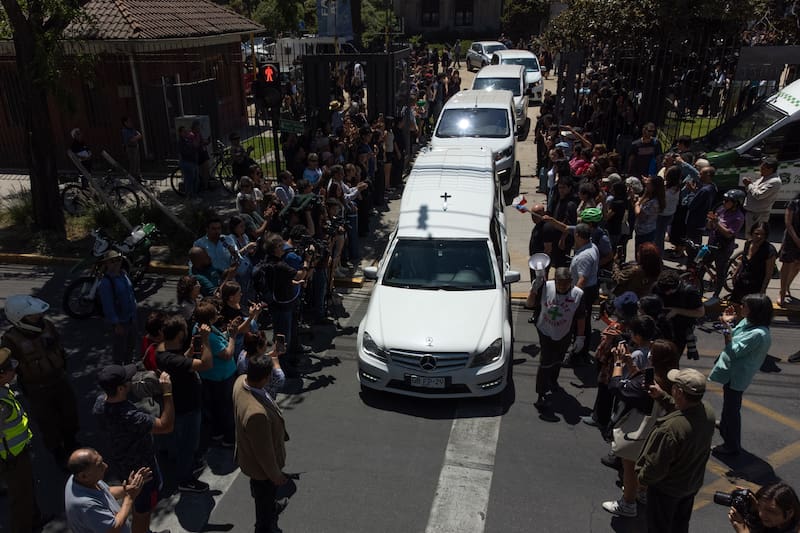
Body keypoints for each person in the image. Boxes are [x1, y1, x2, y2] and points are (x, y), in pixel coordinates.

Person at [601, 339, 680, 518]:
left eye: (652, 351)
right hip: (660, 430)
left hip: (640, 432)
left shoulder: (649, 382)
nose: (648, 353)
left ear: (655, 357)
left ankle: (628, 503)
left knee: (630, 467)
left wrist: (619, 363)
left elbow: (617, 387)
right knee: (646, 466)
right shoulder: (671, 378)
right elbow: (640, 382)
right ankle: (642, 492)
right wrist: (631, 364)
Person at [93, 364, 174, 533]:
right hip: (142, 473)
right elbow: (166, 426)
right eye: (128, 380)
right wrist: (167, 392)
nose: (131, 381)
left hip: (121, 464)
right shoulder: (131, 417)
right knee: (142, 512)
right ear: (121, 388)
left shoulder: (100, 404)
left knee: (140, 508)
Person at [1, 295, 80, 467]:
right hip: (37, 388)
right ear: (19, 318)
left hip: (59, 380)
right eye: (32, 316)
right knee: (48, 422)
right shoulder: (10, 339)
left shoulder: (48, 326)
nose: (38, 318)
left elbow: (59, 348)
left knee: (69, 414)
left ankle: (71, 443)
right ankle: (58, 452)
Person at [635, 368, 716, 533]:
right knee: (679, 526)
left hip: (666, 491)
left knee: (658, 528)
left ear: (678, 391)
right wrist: (661, 396)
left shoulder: (670, 429)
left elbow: (654, 467)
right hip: (690, 485)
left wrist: (641, 481)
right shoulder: (708, 412)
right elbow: (685, 411)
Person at [233, 353, 290, 533]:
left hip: (248, 455)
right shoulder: (256, 414)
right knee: (263, 498)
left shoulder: (240, 381)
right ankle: (265, 526)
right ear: (266, 378)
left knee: (264, 495)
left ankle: (271, 508)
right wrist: (275, 475)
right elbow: (263, 452)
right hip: (262, 469)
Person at [709, 294, 773, 456]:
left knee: (731, 410)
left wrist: (725, 328)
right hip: (732, 372)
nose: (741, 308)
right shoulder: (748, 323)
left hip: (737, 375)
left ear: (754, 311)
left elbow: (733, 350)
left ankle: (731, 445)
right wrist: (728, 322)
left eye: (745, 306)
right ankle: (724, 424)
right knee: (729, 405)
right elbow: (734, 334)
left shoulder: (758, 334)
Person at [155, 315, 212, 492]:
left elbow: (182, 361)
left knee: (179, 443)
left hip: (177, 404)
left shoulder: (163, 351)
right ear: (180, 334)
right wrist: (206, 341)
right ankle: (185, 479)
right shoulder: (173, 360)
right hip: (186, 407)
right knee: (187, 445)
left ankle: (182, 466)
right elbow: (206, 364)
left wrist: (188, 354)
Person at [0, 347, 47, 533]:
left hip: (16, 453)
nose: (15, 370)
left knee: (27, 492)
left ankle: (34, 520)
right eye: (11, 368)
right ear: (1, 375)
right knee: (21, 498)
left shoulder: (3, 389)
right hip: (12, 458)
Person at [529, 267, 585, 422]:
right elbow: (529, 303)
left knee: (558, 358)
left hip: (564, 332)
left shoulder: (578, 295)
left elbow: (581, 317)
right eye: (559, 284)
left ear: (571, 282)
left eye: (565, 285)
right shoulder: (546, 287)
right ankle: (541, 394)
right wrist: (534, 290)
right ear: (555, 281)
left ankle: (553, 380)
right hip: (545, 330)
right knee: (545, 362)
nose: (561, 288)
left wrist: (580, 337)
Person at [64, 447, 151, 533]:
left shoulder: (79, 479)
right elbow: (113, 528)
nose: (105, 466)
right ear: (83, 476)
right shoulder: (86, 506)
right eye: (99, 465)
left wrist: (129, 488)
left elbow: (107, 491)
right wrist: (130, 498)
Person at [192, 300, 238, 448]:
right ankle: (229, 438)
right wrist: (232, 336)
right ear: (211, 318)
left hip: (209, 376)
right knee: (226, 408)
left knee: (214, 407)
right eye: (215, 313)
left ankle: (216, 432)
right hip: (221, 378)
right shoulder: (209, 337)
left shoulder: (199, 329)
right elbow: (227, 354)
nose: (218, 314)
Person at [97, 250, 139, 365]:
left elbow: (130, 293)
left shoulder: (124, 274)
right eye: (112, 261)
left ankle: (128, 369)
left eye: (118, 259)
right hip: (121, 322)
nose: (116, 263)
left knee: (130, 348)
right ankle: (119, 374)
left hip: (131, 318)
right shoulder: (106, 283)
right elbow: (108, 306)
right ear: (106, 264)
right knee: (119, 351)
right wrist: (116, 324)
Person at [653, 270, 705, 360]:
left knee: (672, 359)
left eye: (669, 291)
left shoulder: (689, 292)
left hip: (679, 332)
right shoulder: (658, 288)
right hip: (660, 329)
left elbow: (700, 312)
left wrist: (677, 311)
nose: (666, 294)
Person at [567, 223, 599, 364]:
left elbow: (582, 280)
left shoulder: (584, 257)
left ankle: (577, 355)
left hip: (583, 292)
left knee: (580, 324)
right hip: (589, 290)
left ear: (578, 236)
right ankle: (581, 352)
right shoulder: (592, 246)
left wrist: (572, 298)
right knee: (584, 323)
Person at [706, 189, 746, 301]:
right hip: (712, 243)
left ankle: (716, 295)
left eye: (728, 200)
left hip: (723, 247)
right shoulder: (721, 209)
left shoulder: (738, 217)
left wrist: (716, 222)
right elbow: (710, 226)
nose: (724, 202)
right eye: (724, 200)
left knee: (720, 272)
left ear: (736, 203)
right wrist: (711, 221)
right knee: (702, 264)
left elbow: (729, 234)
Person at [730, 222, 777, 303]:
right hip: (742, 280)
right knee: (734, 303)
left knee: (750, 309)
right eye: (757, 233)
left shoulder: (769, 251)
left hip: (756, 285)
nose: (759, 237)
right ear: (751, 233)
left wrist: (763, 290)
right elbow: (743, 261)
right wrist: (736, 273)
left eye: (763, 234)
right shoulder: (748, 243)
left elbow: (768, 274)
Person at [728, 482, 800, 533]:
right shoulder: (776, 524)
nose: (761, 514)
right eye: (759, 506)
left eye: (770, 511)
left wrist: (742, 531)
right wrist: (753, 511)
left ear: (790, 513)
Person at [743, 157, 782, 235]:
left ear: (770, 169)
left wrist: (749, 184)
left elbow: (759, 195)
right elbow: (753, 190)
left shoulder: (774, 182)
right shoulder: (765, 177)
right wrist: (749, 185)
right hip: (751, 213)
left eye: (763, 168)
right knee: (749, 236)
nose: (760, 170)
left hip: (758, 215)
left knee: (755, 237)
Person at [779, 192, 800, 307]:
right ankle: (782, 292)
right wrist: (796, 239)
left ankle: (787, 286)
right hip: (791, 238)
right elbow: (788, 223)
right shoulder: (794, 203)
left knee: (797, 265)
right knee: (787, 265)